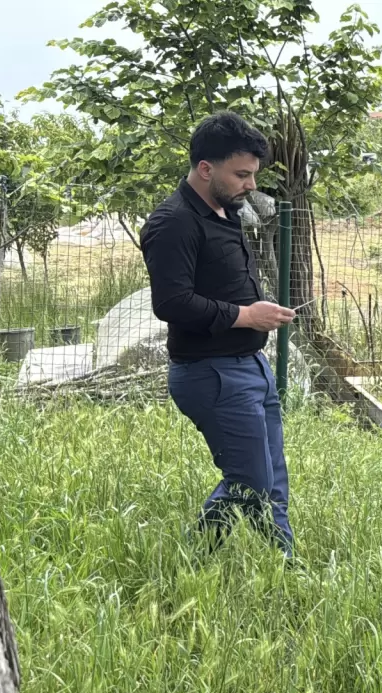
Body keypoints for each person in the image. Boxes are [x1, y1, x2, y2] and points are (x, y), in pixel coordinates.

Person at [139, 111, 298, 557]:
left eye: (253, 174)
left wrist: (258, 317)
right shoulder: (173, 222)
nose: (251, 184)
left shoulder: (227, 211)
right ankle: (193, 560)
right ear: (206, 169)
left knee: (271, 479)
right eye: (241, 174)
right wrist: (247, 316)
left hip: (251, 368)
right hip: (211, 373)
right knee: (250, 482)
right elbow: (171, 303)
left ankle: (285, 563)